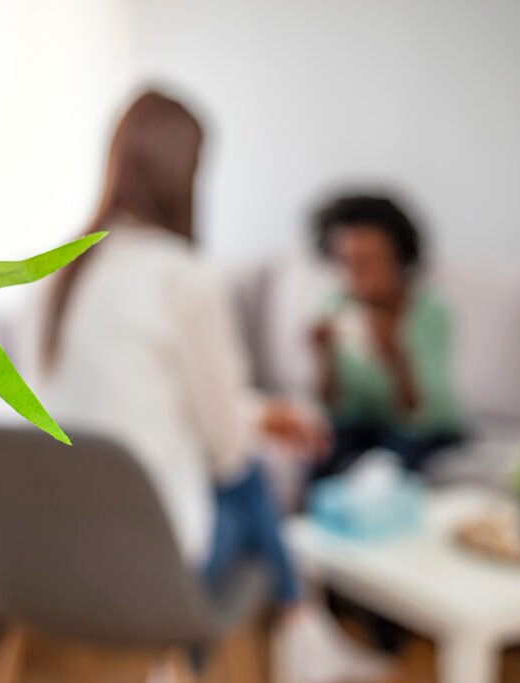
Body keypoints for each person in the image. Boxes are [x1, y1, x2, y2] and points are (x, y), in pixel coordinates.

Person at [32, 91, 389, 683]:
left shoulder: (52, 272)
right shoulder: (185, 278)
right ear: (188, 174)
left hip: (51, 554)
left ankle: (300, 634)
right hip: (149, 564)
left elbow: (107, 403)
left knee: (242, 464)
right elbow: (225, 453)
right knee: (249, 478)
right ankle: (289, 632)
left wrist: (254, 415)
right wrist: (250, 425)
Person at [309, 194, 464, 481]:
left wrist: (395, 358)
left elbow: (421, 415)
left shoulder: (430, 312)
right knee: (322, 456)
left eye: (369, 262)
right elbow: (334, 409)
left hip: (426, 429)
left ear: (398, 258)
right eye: (346, 262)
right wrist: (323, 358)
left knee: (397, 463)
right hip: (365, 426)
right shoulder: (335, 307)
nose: (356, 275)